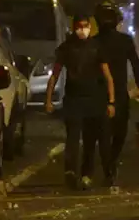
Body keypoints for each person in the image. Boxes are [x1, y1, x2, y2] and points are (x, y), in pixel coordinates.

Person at [45, 17, 116, 191]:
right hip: (74, 100)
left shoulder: (97, 46)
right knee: (73, 139)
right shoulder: (66, 48)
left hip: (95, 100)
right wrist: (48, 100)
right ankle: (70, 172)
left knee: (92, 140)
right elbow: (55, 74)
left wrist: (111, 101)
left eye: (85, 26)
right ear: (74, 27)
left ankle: (88, 174)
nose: (82, 30)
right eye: (79, 27)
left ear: (90, 27)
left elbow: (108, 76)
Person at [94, 4, 139, 187]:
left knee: (110, 133)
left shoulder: (116, 41)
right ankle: (109, 167)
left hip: (108, 93)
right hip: (109, 94)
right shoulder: (121, 41)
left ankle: (110, 166)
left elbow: (136, 64)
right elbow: (137, 65)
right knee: (113, 133)